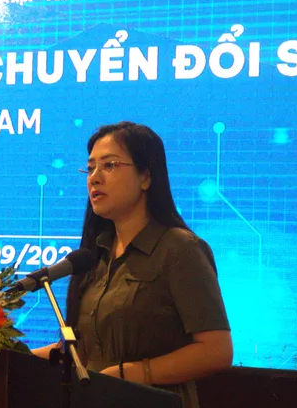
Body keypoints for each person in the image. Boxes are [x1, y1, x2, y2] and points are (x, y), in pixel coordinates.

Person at [32, 122, 232, 407]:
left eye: (110, 165)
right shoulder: (95, 254)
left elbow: (216, 351)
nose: (95, 178)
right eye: (90, 168)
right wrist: (6, 353)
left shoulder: (180, 249)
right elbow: (83, 352)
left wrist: (136, 373)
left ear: (146, 176)